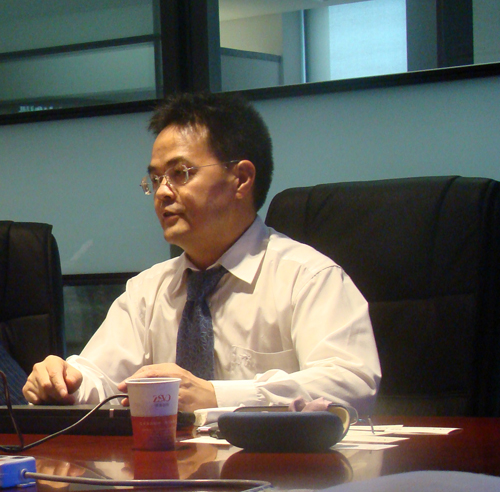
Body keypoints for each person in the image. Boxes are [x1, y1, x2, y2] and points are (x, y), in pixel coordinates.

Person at [23, 92, 381, 414]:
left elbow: (351, 383)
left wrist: (217, 396)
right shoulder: (148, 290)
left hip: (278, 464)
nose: (163, 193)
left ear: (241, 179)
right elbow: (102, 379)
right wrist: (66, 380)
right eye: (155, 179)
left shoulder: (307, 278)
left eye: (180, 173)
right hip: (163, 464)